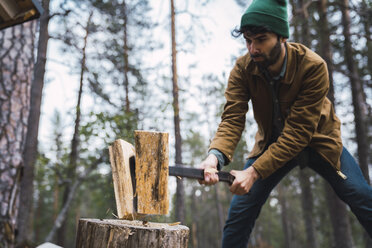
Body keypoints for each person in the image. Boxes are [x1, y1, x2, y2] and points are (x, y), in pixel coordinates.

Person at [198, 0, 372, 247]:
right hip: (270, 145)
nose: (253, 49)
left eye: (261, 39)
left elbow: (298, 134)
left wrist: (254, 172)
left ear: (281, 37)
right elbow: (232, 119)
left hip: (319, 142)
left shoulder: (313, 66)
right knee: (240, 212)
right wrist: (214, 157)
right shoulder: (243, 69)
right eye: (248, 40)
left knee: (361, 196)